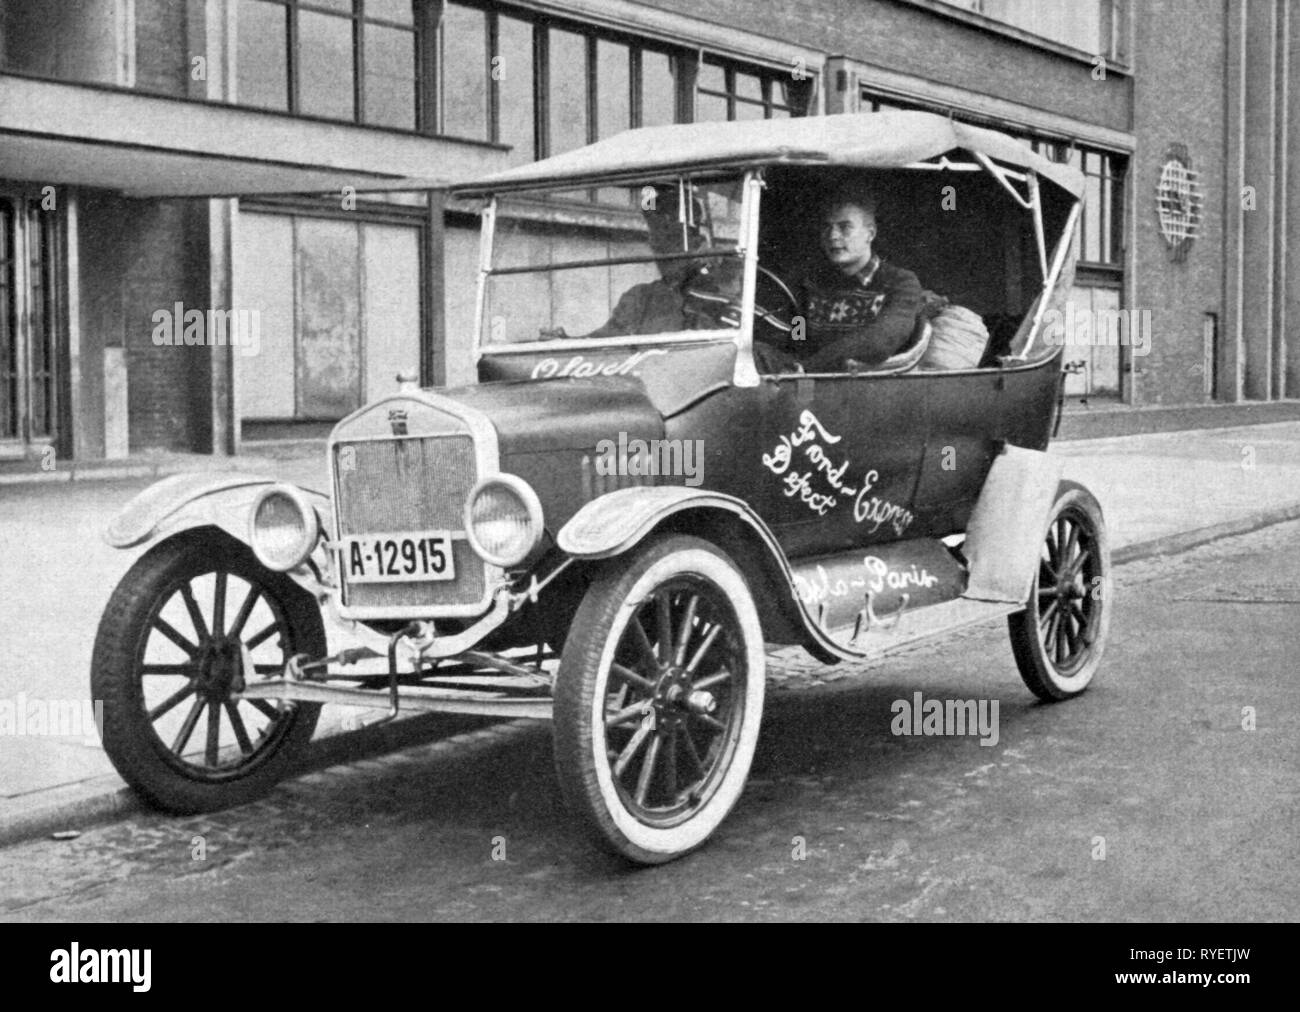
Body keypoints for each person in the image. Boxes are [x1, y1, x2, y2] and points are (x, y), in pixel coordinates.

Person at [755, 187, 923, 373]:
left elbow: (880, 340)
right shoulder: (811, 283)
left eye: (845, 227)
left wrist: (806, 367)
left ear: (870, 234)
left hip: (863, 385)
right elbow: (798, 338)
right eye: (827, 227)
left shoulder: (901, 282)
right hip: (808, 376)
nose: (833, 236)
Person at [576, 186, 741, 339]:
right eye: (656, 239)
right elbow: (606, 338)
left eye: (672, 238)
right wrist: (566, 342)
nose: (661, 250)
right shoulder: (640, 297)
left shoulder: (716, 293)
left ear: (697, 241)